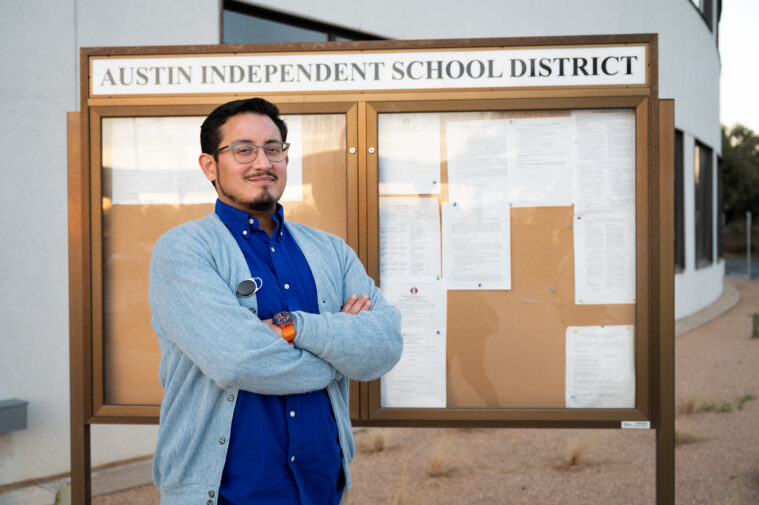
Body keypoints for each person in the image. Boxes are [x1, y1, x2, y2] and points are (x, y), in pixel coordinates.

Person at [148, 97, 403, 505]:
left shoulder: (331, 251)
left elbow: (383, 346)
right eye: (243, 149)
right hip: (228, 493)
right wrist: (337, 354)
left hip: (320, 488)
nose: (262, 162)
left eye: (274, 149)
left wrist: (295, 328)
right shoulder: (184, 250)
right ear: (210, 166)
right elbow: (238, 361)